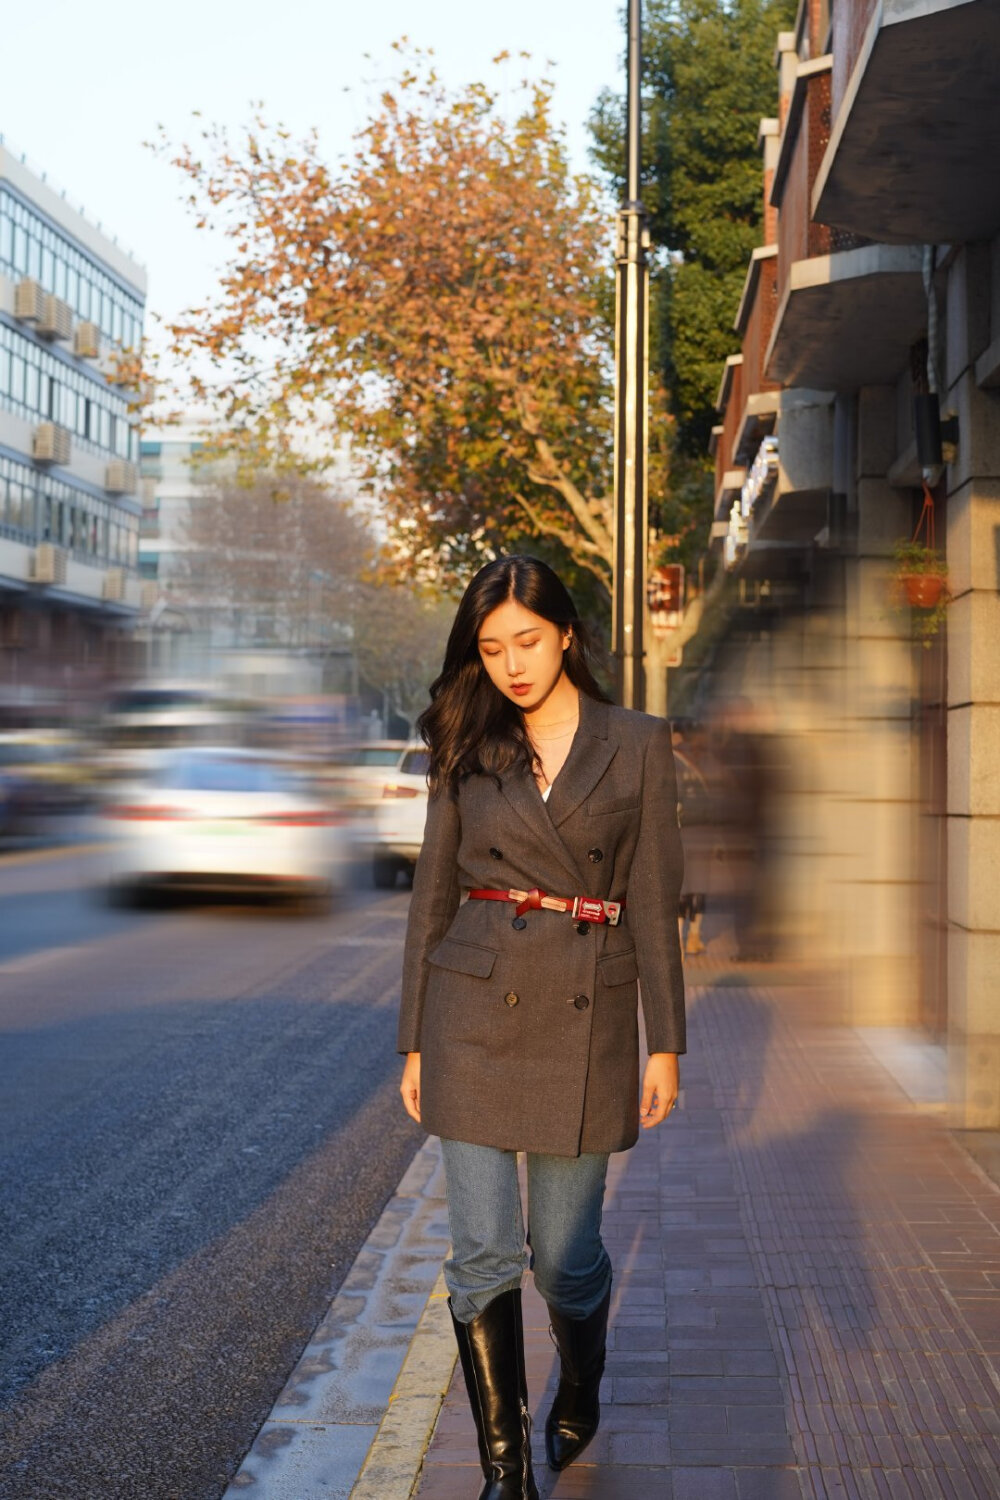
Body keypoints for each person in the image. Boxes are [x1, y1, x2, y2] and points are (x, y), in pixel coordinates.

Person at [398, 555, 686, 1500]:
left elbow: (650, 894)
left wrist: (666, 1039)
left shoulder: (636, 741)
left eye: (527, 640)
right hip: (473, 1009)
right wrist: (412, 1039)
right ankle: (504, 1471)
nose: (512, 665)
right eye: (490, 649)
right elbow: (432, 894)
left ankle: (582, 1378)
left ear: (567, 633)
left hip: (590, 1007)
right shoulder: (464, 740)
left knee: (565, 1260)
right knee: (482, 1252)